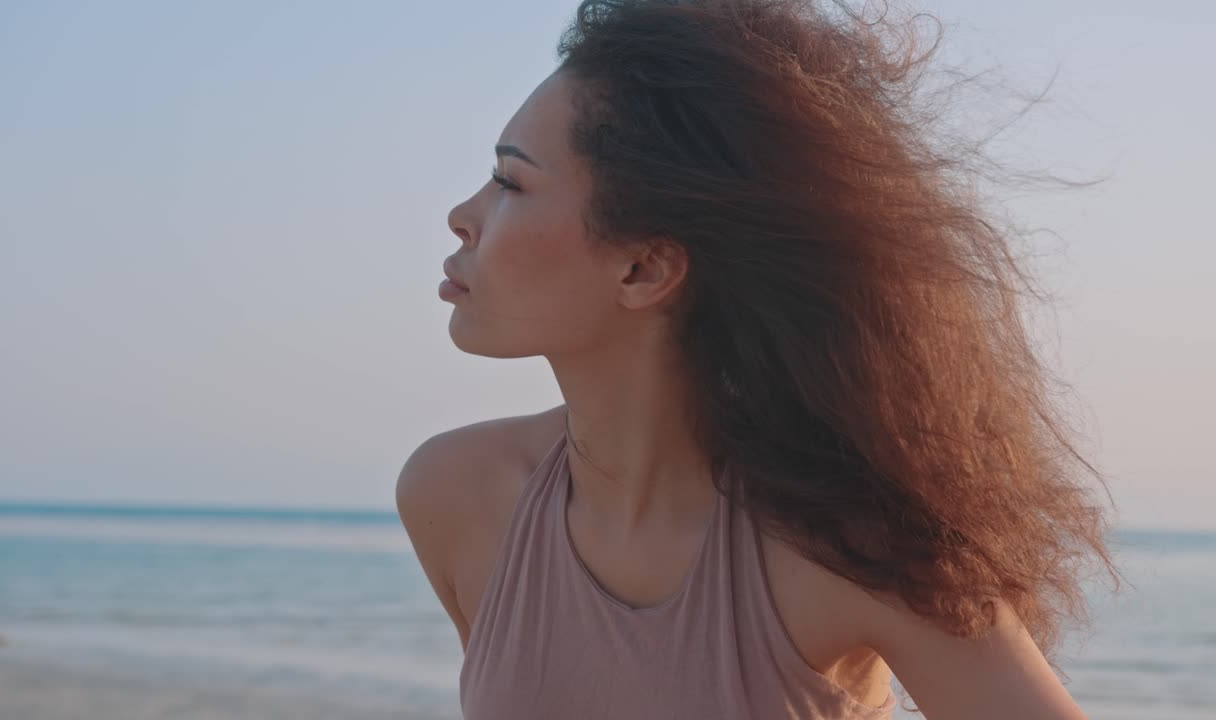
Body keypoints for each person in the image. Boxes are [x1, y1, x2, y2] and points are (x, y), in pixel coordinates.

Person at [398, 1, 1122, 717]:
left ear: (644, 269)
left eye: (510, 183)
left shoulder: (852, 547)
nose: (463, 214)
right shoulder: (458, 496)